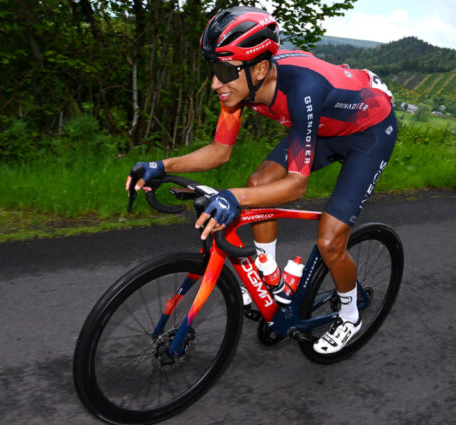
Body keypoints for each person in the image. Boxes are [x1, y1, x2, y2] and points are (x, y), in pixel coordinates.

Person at [126, 6, 397, 354]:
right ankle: (271, 275)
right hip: (323, 129)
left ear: (259, 68)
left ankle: (349, 314)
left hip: (369, 134)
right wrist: (161, 165)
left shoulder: (302, 89)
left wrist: (232, 198)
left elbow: (297, 186)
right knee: (258, 183)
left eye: (224, 72)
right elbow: (219, 151)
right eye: (213, 69)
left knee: (330, 239)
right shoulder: (241, 86)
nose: (214, 84)